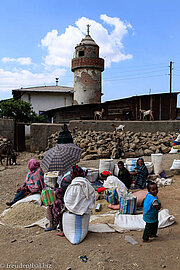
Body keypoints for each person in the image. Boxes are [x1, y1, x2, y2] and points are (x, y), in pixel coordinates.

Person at [45, 165, 87, 235]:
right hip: (72, 202)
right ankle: (54, 223)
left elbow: (72, 198)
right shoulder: (75, 180)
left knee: (58, 205)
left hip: (74, 204)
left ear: (75, 174)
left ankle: (61, 228)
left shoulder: (76, 184)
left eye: (71, 173)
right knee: (52, 206)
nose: (70, 175)